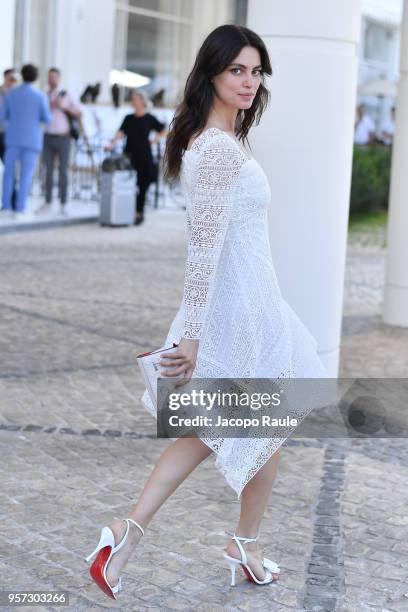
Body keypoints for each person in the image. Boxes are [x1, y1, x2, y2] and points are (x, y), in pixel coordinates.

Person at [85, 24, 328, 600]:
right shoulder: (216, 149)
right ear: (212, 75)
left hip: (253, 303)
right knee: (240, 423)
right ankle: (153, 534)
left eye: (255, 70)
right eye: (236, 71)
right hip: (238, 311)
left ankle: (218, 542)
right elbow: (203, 245)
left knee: (249, 425)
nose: (249, 81)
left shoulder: (218, 138)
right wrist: (192, 335)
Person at [106, 90, 166, 225]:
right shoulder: (128, 118)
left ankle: (139, 212)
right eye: (132, 99)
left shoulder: (149, 118)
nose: (133, 101)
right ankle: (128, 211)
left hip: (144, 156)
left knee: (142, 184)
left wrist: (155, 139)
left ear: (141, 101)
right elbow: (120, 133)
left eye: (135, 99)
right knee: (128, 184)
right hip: (129, 156)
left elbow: (164, 129)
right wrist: (111, 144)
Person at [0, 64, 51, 220]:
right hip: (32, 140)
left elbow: (2, 116)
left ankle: (6, 207)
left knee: (8, 174)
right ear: (36, 77)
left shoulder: (11, 94)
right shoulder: (39, 96)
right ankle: (20, 209)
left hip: (13, 138)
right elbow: (47, 118)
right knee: (26, 175)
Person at [38, 67, 82, 215]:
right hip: (48, 136)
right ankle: (47, 201)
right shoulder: (44, 95)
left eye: (54, 77)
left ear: (59, 78)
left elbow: (79, 112)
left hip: (64, 137)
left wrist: (64, 107)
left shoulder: (66, 94)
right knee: (47, 171)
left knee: (63, 171)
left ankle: (64, 203)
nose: (52, 79)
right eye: (50, 77)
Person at [0, 68, 18, 212]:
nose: (13, 82)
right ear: (5, 78)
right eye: (11, 78)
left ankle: (13, 201)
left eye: (15, 79)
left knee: (10, 169)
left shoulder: (18, 95)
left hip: (9, 136)